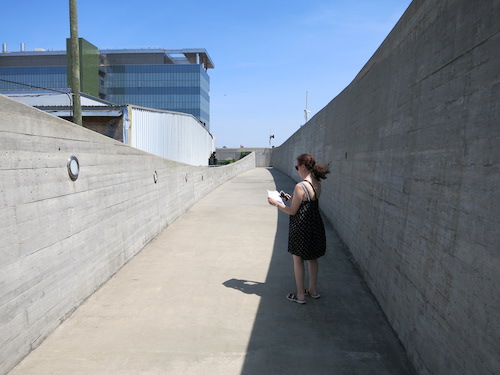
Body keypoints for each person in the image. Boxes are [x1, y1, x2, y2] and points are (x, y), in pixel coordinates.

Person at [268, 154, 330, 304]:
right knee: (312, 258)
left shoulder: (300, 186)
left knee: (298, 260)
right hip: (315, 226)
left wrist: (276, 203)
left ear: (302, 166)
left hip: (301, 228)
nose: (297, 170)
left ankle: (300, 295)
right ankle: (313, 290)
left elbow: (292, 211)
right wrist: (290, 199)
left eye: (297, 167)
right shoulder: (317, 183)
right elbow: (307, 203)